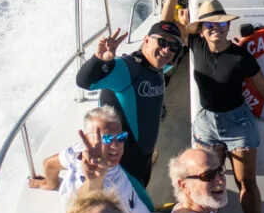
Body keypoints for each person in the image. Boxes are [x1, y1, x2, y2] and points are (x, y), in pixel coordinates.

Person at [164, 0, 264, 213]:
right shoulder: (195, 44)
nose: (216, 29)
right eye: (210, 25)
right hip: (207, 124)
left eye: (221, 24)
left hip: (238, 123)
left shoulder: (241, 56)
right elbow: (165, 26)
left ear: (228, 27)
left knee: (248, 183)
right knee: (207, 182)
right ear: (203, 29)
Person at [29, 105, 164, 213]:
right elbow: (86, 201)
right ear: (88, 138)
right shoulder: (98, 181)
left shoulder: (76, 152)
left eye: (120, 137)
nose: (116, 146)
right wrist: (95, 179)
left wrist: (50, 184)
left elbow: (49, 164)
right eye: (106, 139)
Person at [73, 19, 184, 185]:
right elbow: (84, 81)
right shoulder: (126, 68)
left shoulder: (157, 68)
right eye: (162, 42)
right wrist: (100, 59)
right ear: (146, 40)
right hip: (120, 158)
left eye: (173, 47)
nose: (167, 49)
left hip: (144, 156)